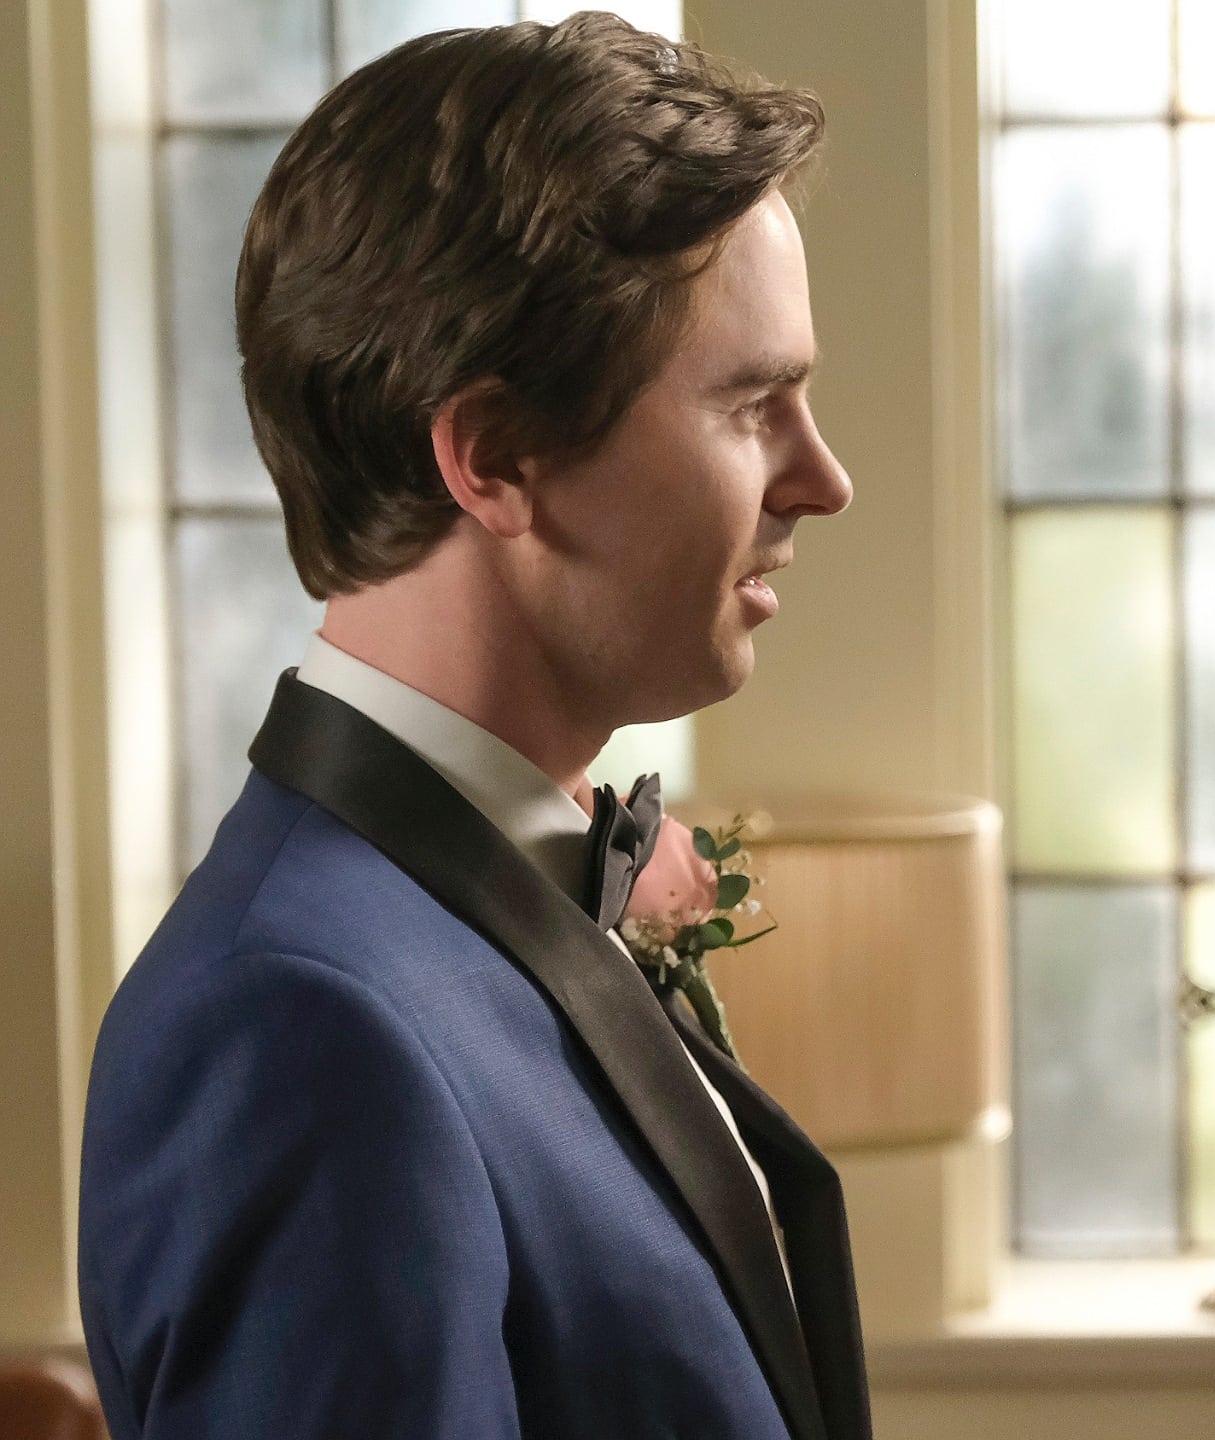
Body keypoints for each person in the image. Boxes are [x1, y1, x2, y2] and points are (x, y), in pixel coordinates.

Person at [78, 15, 867, 1438]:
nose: (824, 479)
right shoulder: (300, 1027)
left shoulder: (457, 916)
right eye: (755, 405)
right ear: (496, 457)